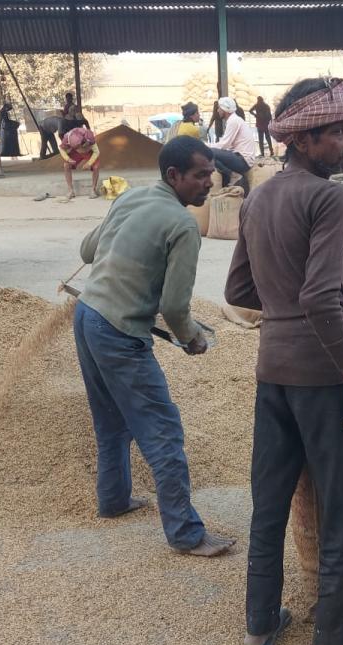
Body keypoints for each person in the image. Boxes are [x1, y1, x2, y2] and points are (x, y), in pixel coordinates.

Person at [226, 78, 343, 645]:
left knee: (268, 503)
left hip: (272, 371)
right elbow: (323, 297)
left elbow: (237, 290)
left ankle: (259, 624)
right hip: (321, 376)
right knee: (341, 507)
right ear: (303, 137)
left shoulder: (258, 198)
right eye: (339, 132)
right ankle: (334, 641)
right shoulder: (328, 199)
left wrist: (279, 314)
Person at [75, 135, 234, 558]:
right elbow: (174, 305)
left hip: (87, 315)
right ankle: (186, 534)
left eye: (212, 173)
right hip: (119, 332)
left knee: (111, 422)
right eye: (201, 175)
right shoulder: (182, 225)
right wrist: (192, 339)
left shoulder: (131, 198)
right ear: (174, 175)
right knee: (163, 432)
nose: (209, 183)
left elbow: (88, 251)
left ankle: (114, 500)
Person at [208, 96, 256, 192]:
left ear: (225, 109)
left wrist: (206, 146)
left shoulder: (233, 121)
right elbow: (227, 145)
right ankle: (228, 180)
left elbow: (224, 145)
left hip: (243, 160)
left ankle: (233, 175)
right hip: (239, 157)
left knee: (209, 152)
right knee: (213, 158)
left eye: (219, 108)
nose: (217, 110)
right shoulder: (233, 120)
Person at [60, 126, 101, 200]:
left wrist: (89, 163)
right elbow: (62, 150)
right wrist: (68, 159)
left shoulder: (89, 136)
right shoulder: (67, 139)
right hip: (75, 153)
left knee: (96, 167)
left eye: (84, 149)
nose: (84, 151)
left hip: (90, 152)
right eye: (81, 150)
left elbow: (97, 152)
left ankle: (93, 190)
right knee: (66, 165)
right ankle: (70, 190)